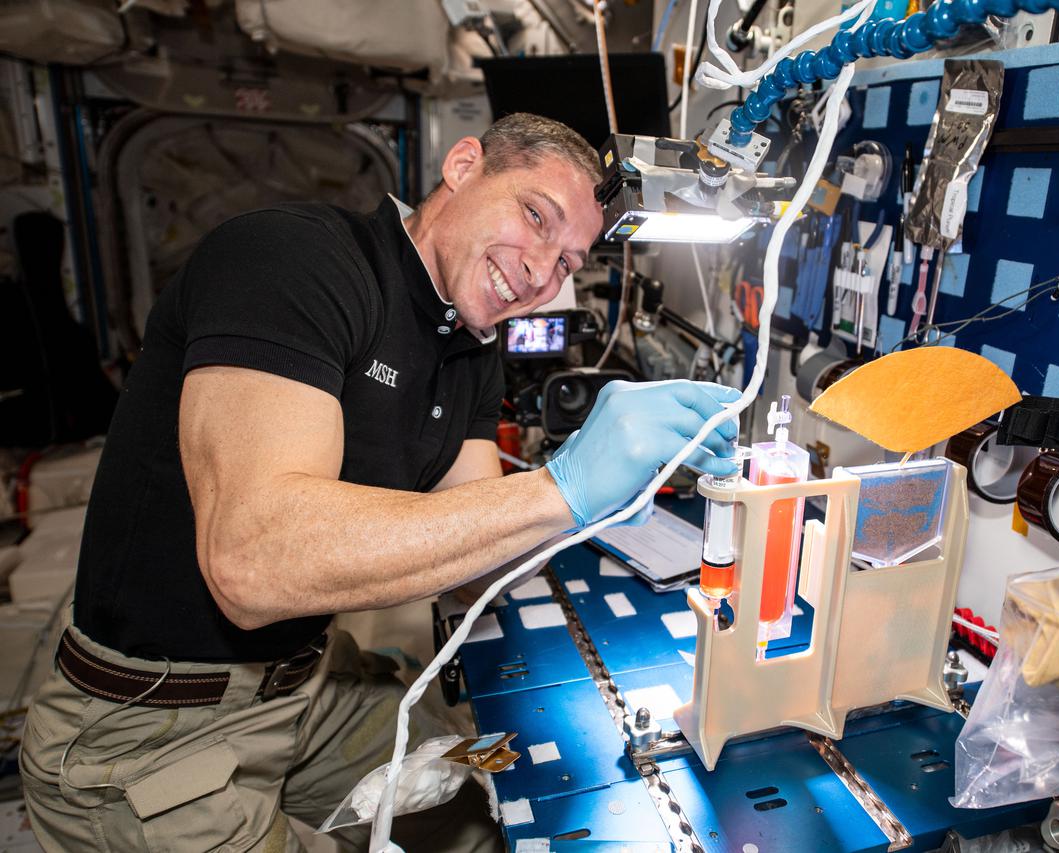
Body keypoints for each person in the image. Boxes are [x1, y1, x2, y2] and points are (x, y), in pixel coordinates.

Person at [20, 112, 739, 851]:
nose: (540, 271)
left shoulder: (470, 345)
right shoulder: (293, 259)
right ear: (464, 166)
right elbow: (250, 560)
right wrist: (560, 487)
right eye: (535, 216)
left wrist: (601, 500)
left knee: (497, 789)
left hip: (310, 688)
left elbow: (470, 568)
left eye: (566, 262)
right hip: (149, 726)